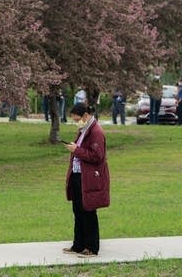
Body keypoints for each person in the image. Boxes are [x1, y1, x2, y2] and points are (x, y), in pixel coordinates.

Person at [62, 103, 110, 258]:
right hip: (78, 175)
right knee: (78, 211)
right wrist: (75, 148)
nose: (76, 122)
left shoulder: (96, 131)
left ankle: (91, 247)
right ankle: (78, 245)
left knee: (88, 211)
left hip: (89, 178)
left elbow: (97, 156)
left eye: (77, 119)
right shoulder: (84, 130)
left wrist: (77, 150)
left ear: (85, 116)